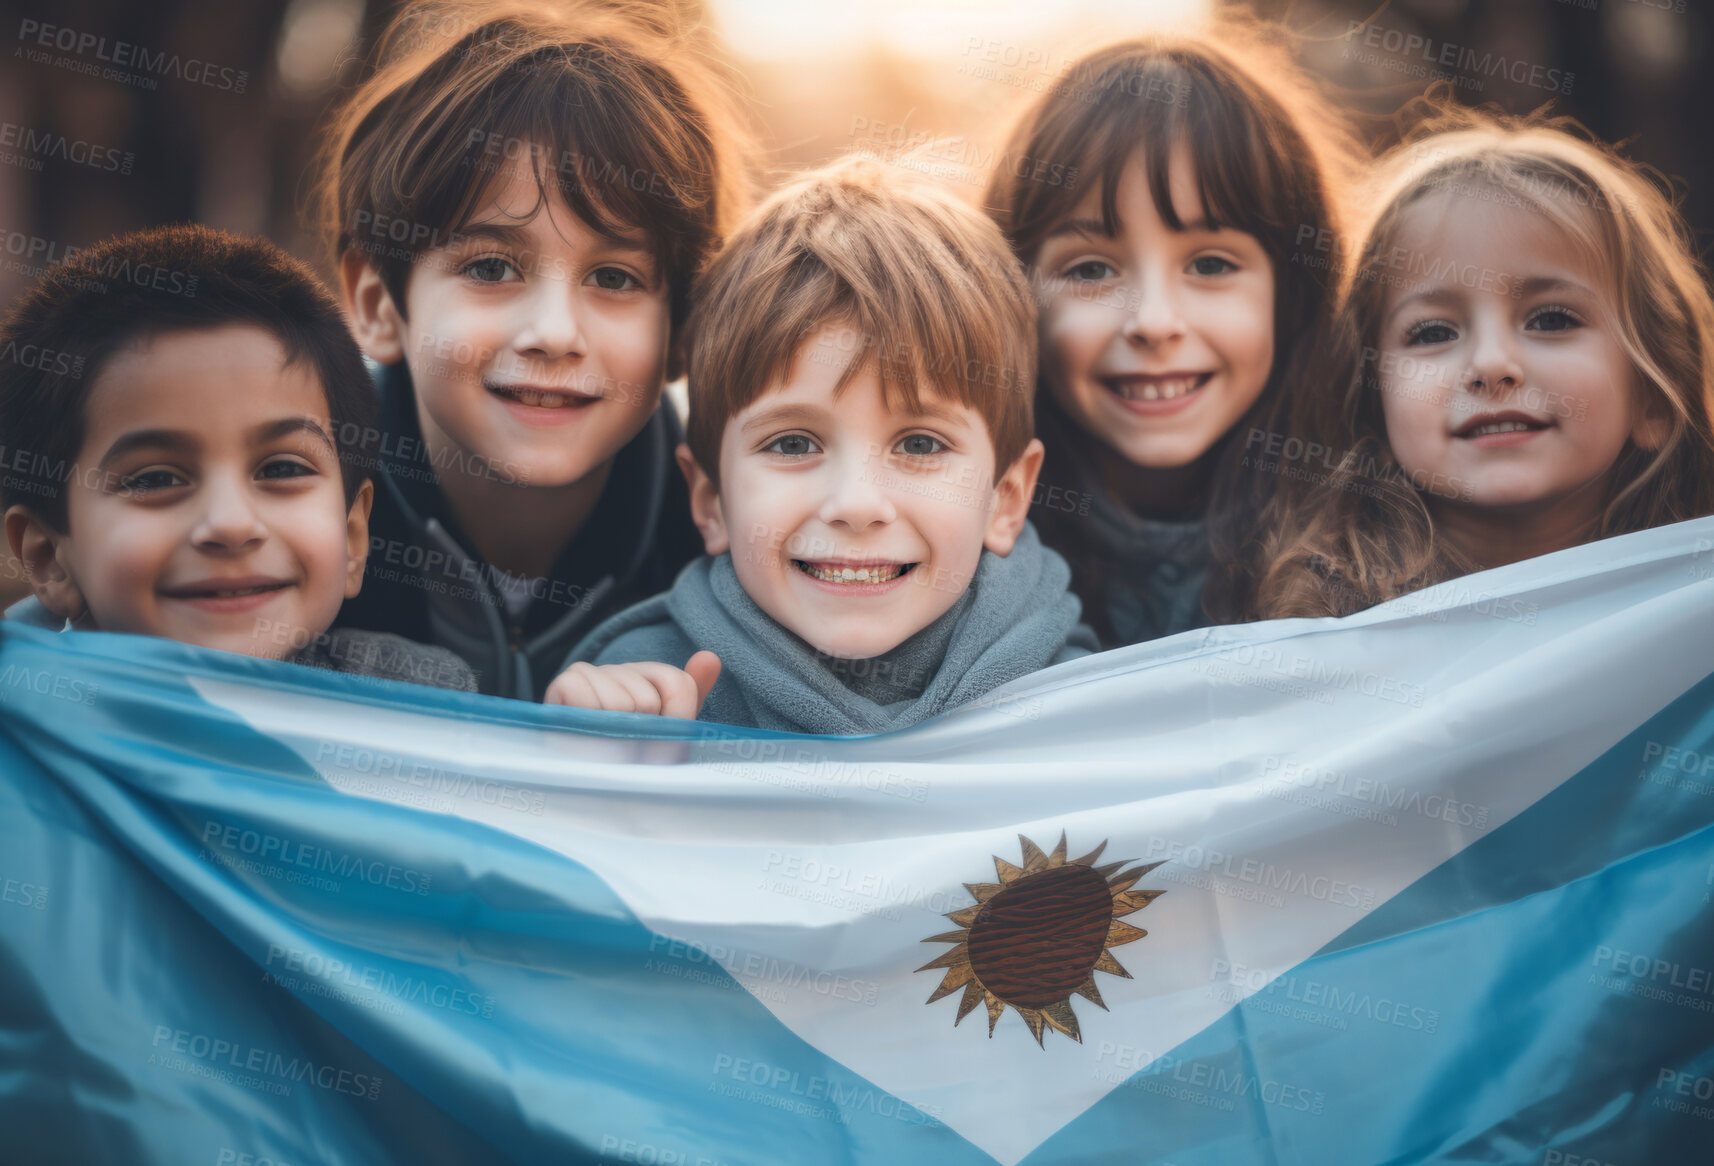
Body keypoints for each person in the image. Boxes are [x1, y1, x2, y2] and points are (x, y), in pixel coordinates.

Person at [546, 159, 1097, 734]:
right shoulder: (645, 693)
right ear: (711, 503)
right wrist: (590, 766)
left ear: (1004, 500)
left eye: (919, 443)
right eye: (791, 443)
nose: (856, 504)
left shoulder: (1083, 709)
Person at [317, 1, 751, 698]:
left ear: (685, 329)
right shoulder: (286, 514)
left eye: (614, 278)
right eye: (491, 268)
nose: (554, 332)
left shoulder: (737, 546)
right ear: (378, 305)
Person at [1232, 106, 1714, 619]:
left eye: (1551, 320)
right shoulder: (1325, 641)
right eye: (1434, 332)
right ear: (1374, 409)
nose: (1490, 365)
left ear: (1654, 399)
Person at [983, 23, 1363, 646]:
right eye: (1091, 270)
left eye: (1210, 264)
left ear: (1292, 294)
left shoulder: (1392, 541)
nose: (1154, 323)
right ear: (1010, 295)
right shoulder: (948, 546)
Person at [0, 224, 476, 691]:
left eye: (282, 469)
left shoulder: (422, 701)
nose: (231, 525)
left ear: (353, 536)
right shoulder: (26, 732)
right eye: (156, 479)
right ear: (48, 559)